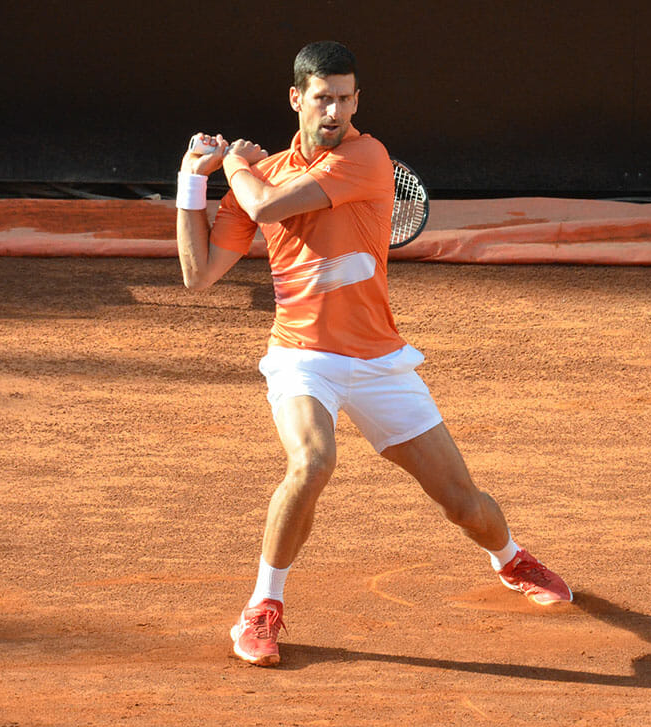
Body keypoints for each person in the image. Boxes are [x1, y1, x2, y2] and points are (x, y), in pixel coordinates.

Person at [175, 40, 571, 668]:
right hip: (302, 356)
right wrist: (188, 183)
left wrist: (232, 167)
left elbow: (267, 205)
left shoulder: (365, 155)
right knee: (312, 462)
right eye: (322, 98)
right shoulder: (259, 173)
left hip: (380, 362)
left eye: (345, 98)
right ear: (296, 99)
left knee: (463, 503)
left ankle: (510, 557)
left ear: (356, 100)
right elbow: (200, 275)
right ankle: (262, 606)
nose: (334, 111)